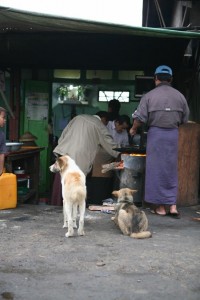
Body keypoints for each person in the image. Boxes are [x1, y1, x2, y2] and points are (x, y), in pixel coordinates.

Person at [130, 65, 190, 218]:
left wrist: (133, 129)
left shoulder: (149, 96)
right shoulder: (180, 96)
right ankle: (173, 205)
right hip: (173, 135)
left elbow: (139, 118)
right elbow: (184, 119)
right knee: (170, 169)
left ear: (155, 78)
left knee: (156, 169)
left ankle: (161, 207)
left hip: (156, 134)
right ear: (170, 79)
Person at [51, 113, 119, 205]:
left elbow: (62, 137)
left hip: (63, 155)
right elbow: (111, 146)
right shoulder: (98, 124)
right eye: (106, 123)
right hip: (78, 161)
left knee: (61, 186)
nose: (106, 125)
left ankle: (57, 208)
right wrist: (123, 152)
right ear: (103, 119)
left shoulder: (77, 118)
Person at [0, 107, 7, 176]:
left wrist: (1, 170)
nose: (5, 120)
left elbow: (2, 153)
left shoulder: (2, 135)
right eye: (3, 117)